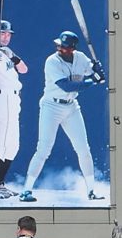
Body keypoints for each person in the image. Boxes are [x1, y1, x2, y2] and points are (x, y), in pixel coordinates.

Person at [20, 31, 105, 202]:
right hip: (51, 106)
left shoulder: (80, 57)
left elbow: (93, 72)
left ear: (72, 48)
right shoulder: (52, 61)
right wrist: (93, 80)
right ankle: (26, 190)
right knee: (43, 149)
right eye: (59, 45)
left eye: (65, 47)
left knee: (83, 149)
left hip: (71, 107)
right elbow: (67, 86)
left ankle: (91, 191)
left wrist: (97, 71)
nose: (60, 48)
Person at [0, 20, 28, 198]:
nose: (7, 37)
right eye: (3, 34)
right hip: (4, 98)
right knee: (2, 143)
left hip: (14, 98)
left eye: (8, 34)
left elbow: (24, 70)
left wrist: (13, 56)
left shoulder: (7, 52)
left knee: (13, 145)